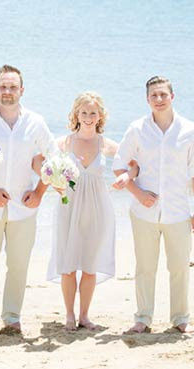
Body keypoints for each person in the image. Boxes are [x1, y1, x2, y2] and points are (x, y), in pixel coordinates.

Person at [0, 64, 56, 337]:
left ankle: (12, 317)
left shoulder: (35, 122)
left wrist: (40, 191)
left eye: (13, 87)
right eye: (3, 87)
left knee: (18, 264)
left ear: (22, 90)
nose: (7, 92)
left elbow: (54, 161)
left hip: (23, 208)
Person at [113, 76, 194, 334]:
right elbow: (119, 164)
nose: (159, 99)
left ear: (172, 97)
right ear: (147, 99)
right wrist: (138, 192)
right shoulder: (136, 129)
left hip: (178, 212)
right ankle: (143, 318)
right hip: (143, 213)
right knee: (145, 267)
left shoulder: (190, 130)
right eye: (154, 95)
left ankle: (180, 319)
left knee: (179, 267)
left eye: (163, 94)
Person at [45, 91, 138, 331]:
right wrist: (53, 182)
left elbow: (135, 163)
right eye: (84, 112)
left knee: (89, 264)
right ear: (76, 114)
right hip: (69, 207)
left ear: (100, 116)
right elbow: (41, 163)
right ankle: (68, 315)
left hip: (98, 208)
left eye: (92, 113)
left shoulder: (106, 144)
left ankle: (84, 316)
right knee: (68, 263)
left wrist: (126, 178)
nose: (88, 117)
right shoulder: (63, 143)